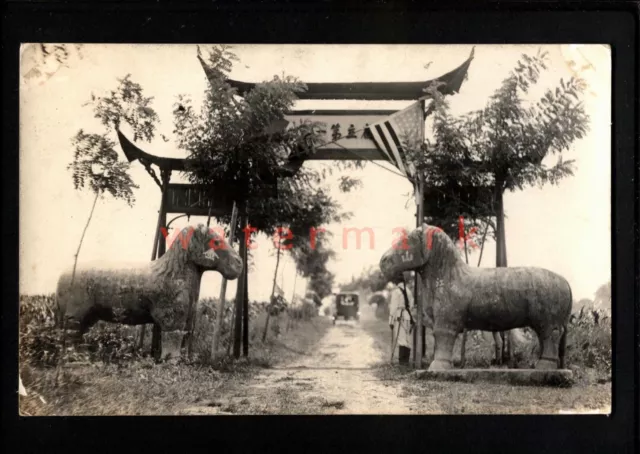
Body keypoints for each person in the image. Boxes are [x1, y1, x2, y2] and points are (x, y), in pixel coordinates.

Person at [388, 273, 415, 364]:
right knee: (407, 339)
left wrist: (391, 321)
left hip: (399, 316)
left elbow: (393, 308)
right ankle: (405, 361)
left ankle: (402, 362)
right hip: (407, 316)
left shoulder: (396, 292)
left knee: (401, 339)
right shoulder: (408, 291)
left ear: (396, 282)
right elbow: (411, 305)